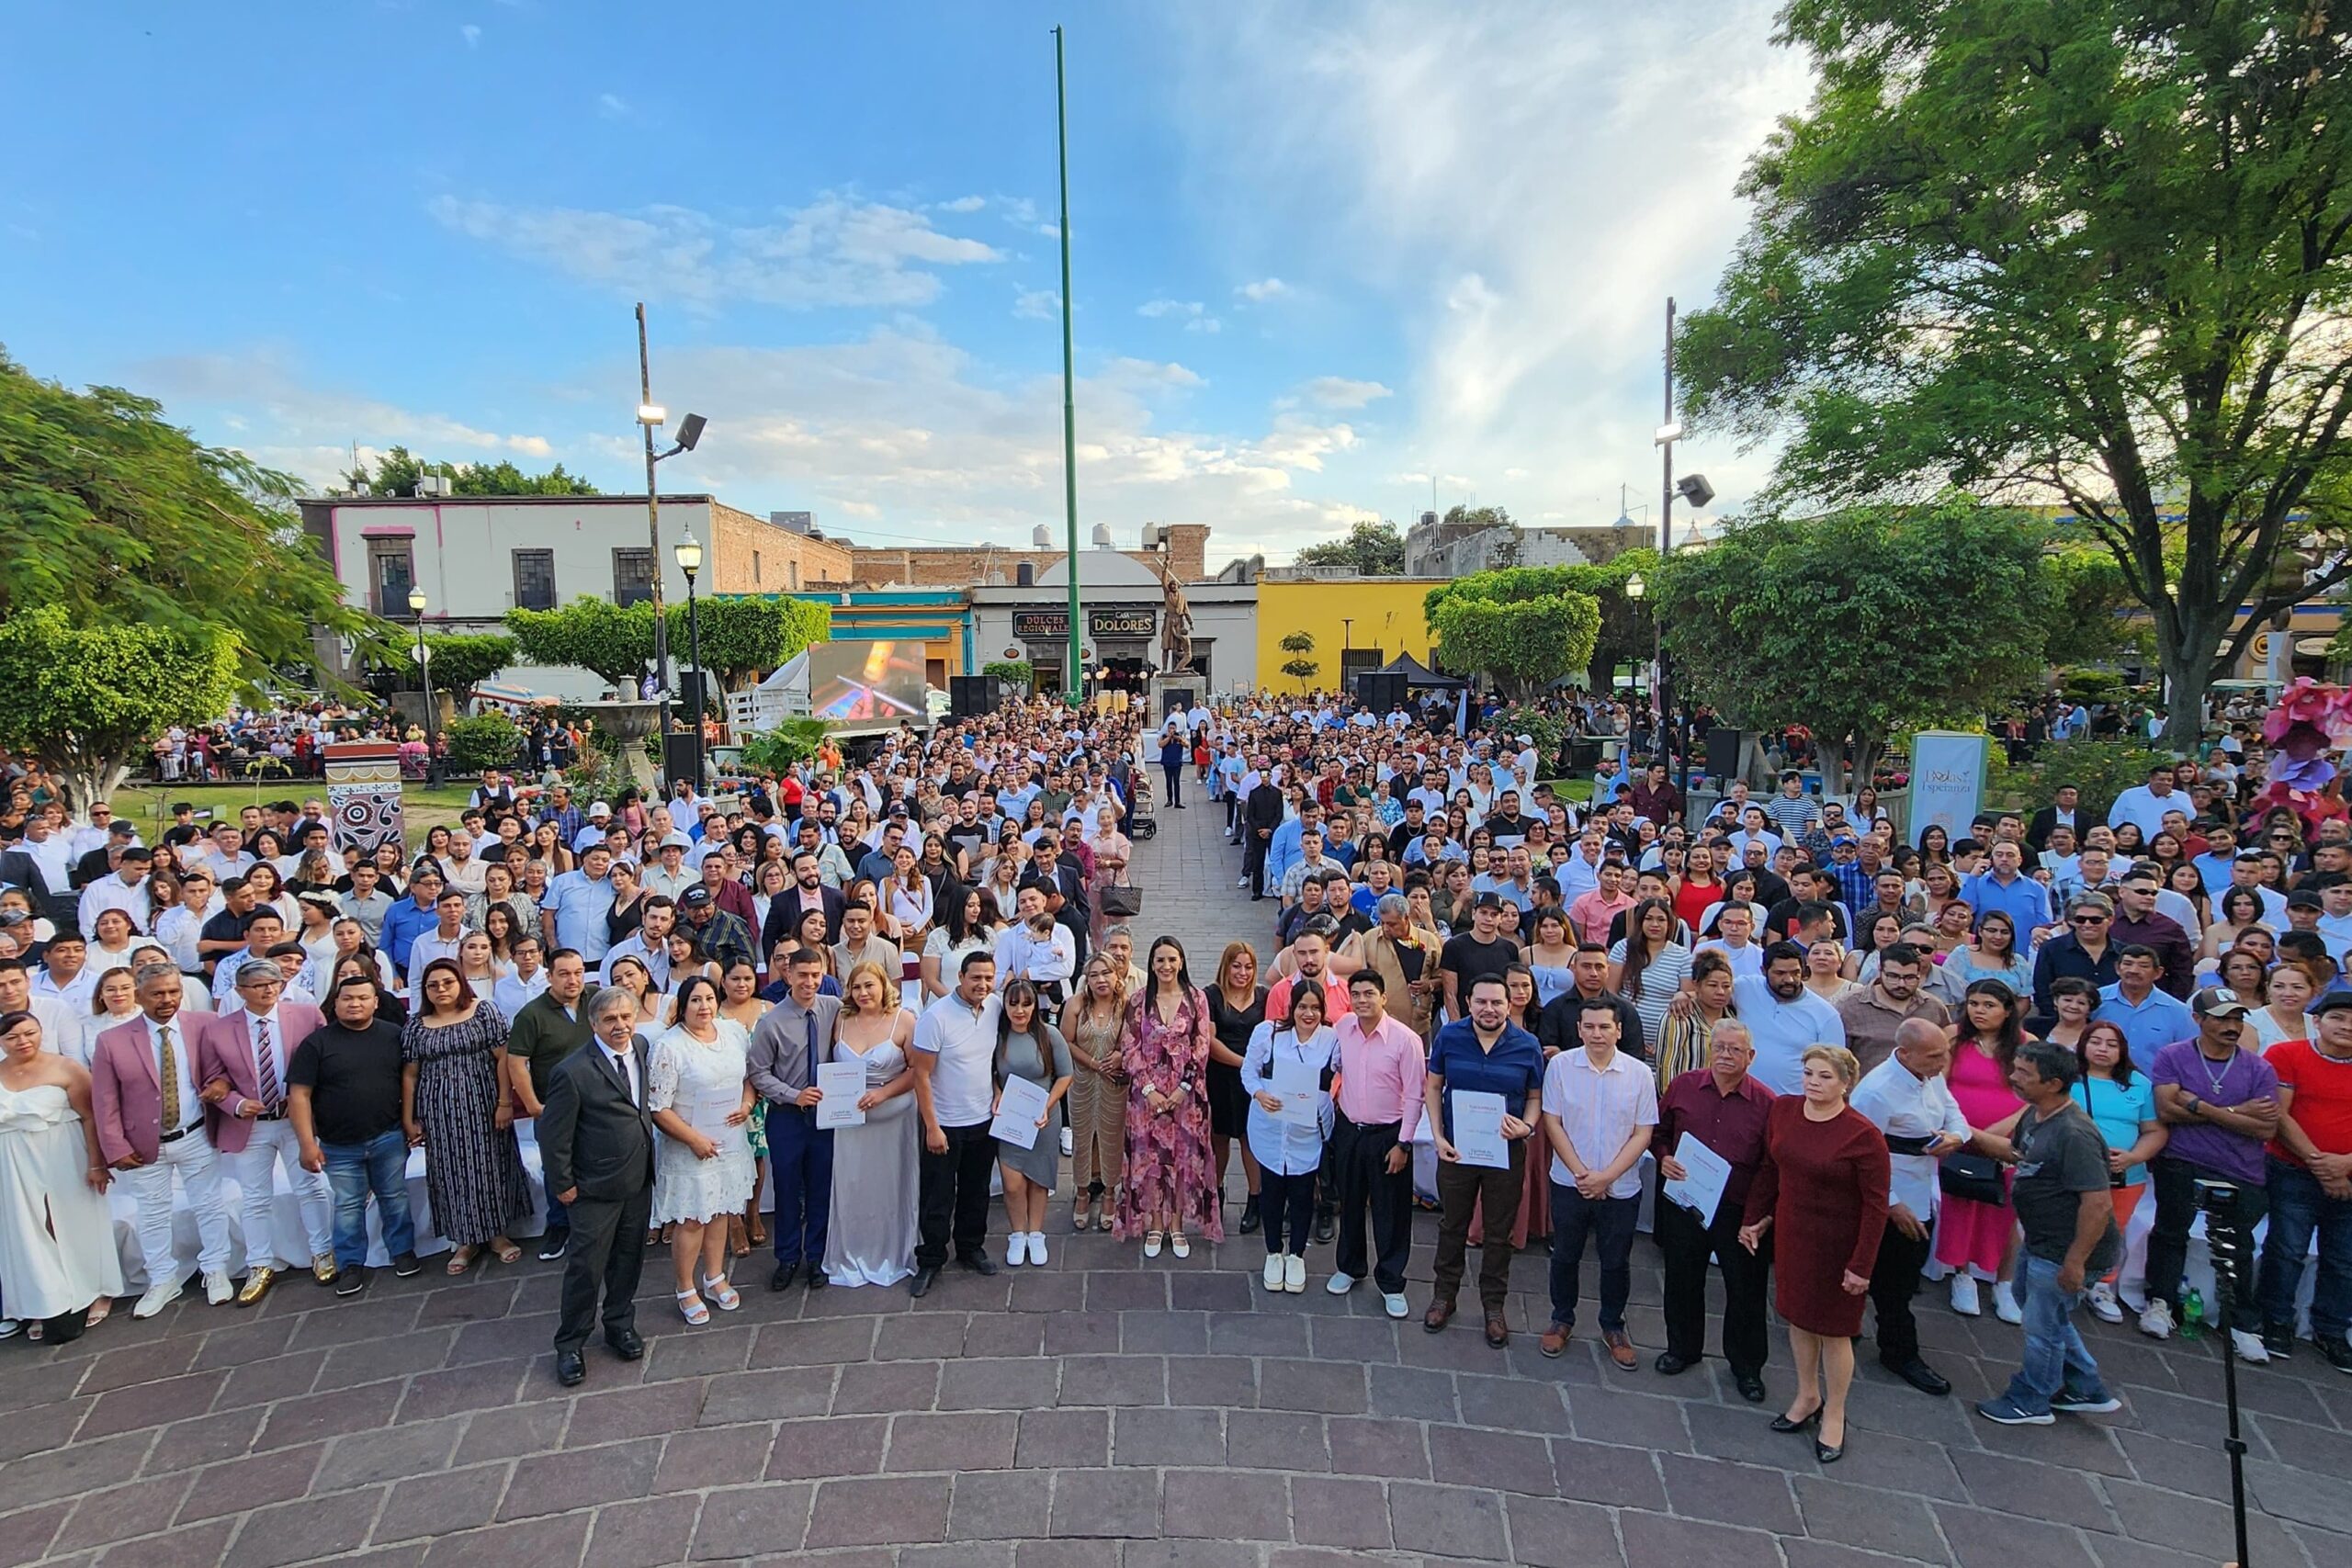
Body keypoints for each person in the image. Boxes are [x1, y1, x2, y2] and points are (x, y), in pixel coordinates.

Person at [1738, 1044, 1889, 1465]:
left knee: (1834, 1330)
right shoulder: (1784, 1111)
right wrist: (1755, 1217)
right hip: (1793, 1233)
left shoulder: (1863, 1135)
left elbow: (1876, 1206)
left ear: (1846, 1083)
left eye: (1824, 1076)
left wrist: (1862, 1265)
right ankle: (1807, 1395)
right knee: (1797, 1317)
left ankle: (1835, 1413)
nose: (1813, 1083)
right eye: (1808, 1073)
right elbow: (1770, 1169)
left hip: (1838, 1242)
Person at [1972, 1041, 2125, 1426]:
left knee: (2042, 1328)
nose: (2014, 1078)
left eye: (2024, 1074)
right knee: (2042, 1311)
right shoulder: (2038, 1114)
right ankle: (2084, 1386)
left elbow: (2098, 1204)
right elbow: (2016, 1153)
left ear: (2054, 1083)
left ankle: (2032, 1400)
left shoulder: (2075, 1134)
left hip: (2063, 1249)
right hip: (2040, 1241)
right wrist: (1963, 1136)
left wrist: (2074, 1264)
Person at [2141, 987, 2280, 1361]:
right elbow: (2167, 1111)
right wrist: (2238, 1112)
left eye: (2236, 1018)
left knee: (2240, 1244)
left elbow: (2265, 1129)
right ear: (2198, 1019)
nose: (2231, 1025)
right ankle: (2160, 1301)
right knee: (2171, 1230)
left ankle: (2240, 1322)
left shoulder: (2260, 1068)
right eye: (2221, 1018)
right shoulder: (2174, 1056)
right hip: (2183, 1157)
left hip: (2241, 1167)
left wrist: (2201, 1105)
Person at [90, 964, 235, 1315]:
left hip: (196, 1132)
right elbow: (104, 1100)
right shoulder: (112, 1040)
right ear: (139, 997)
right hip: (143, 1145)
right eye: (157, 993)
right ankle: (162, 1279)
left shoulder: (202, 1024)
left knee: (209, 1204)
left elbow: (224, 1068)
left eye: (173, 991)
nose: (167, 1000)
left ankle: (216, 1269)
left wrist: (222, 1085)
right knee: (152, 1214)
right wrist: (115, 1147)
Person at [537, 984, 657, 1387]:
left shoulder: (640, 1047)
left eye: (625, 1017)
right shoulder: (572, 1072)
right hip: (592, 1189)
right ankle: (570, 1344)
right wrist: (564, 1185)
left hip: (637, 1181)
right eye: (610, 1020)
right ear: (593, 1025)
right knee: (586, 1269)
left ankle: (620, 1324)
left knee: (628, 1260)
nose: (620, 1026)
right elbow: (553, 1136)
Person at [195, 960, 334, 1303]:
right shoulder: (218, 1029)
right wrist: (238, 1105)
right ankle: (259, 1263)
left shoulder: (305, 1015)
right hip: (251, 1125)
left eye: (273, 982)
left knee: (310, 1186)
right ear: (240, 991)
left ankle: (323, 1251)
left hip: (296, 1119)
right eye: (258, 985)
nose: (268, 989)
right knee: (255, 1197)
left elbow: (326, 1063)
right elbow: (213, 1080)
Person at [1849, 1018, 1974, 1397]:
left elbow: (1954, 1113)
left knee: (1903, 1275)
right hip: (1888, 1194)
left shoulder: (1930, 1075)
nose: (1943, 1061)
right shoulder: (1876, 1092)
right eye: (1935, 1055)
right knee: (1891, 1282)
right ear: (1904, 1054)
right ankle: (1900, 1352)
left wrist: (1955, 1136)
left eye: (1944, 1053)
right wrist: (1890, 1204)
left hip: (1924, 1186)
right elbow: (1858, 1155)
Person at [1423, 973, 1547, 1348]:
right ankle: (1444, 1296)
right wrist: (1438, 1135)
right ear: (1469, 1002)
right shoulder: (1450, 1036)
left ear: (1510, 1005)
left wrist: (1526, 1127)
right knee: (1452, 1226)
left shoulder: (1527, 1045)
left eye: (1497, 1003)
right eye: (1481, 1002)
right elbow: (1433, 1085)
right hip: (1457, 1149)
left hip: (1505, 1150)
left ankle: (1494, 1305)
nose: (1489, 1009)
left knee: (1498, 1231)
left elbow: (1535, 1097)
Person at [1653, 1019, 1774, 1401]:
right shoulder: (1684, 1086)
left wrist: (1756, 1218)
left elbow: (1771, 1167)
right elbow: (1659, 1133)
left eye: (1735, 1050)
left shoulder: (1768, 1104)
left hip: (1737, 1210)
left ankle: (1746, 1367)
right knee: (1682, 1278)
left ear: (1751, 1057)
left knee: (1745, 1290)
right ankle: (1682, 1348)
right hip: (1686, 1202)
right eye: (1719, 1047)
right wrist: (1664, 1158)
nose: (1725, 1055)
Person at [1537, 997, 1658, 1369]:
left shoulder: (1639, 1073)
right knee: (1566, 1255)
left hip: (1620, 1188)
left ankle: (1612, 1324)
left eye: (1605, 1027)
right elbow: (1552, 1122)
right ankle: (1562, 1318)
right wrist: (1582, 1175)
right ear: (1578, 1029)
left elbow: (1643, 1133)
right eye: (1589, 1027)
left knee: (1616, 1260)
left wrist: (1606, 1177)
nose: (1597, 1034)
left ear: (1619, 1031)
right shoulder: (1560, 1067)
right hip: (1569, 1182)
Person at [287, 976, 422, 1296]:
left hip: (387, 1136)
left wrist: (409, 1122)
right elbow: (299, 1095)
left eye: (363, 998)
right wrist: (307, 1143)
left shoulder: (394, 1036)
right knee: (348, 1205)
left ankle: (402, 1252)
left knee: (395, 1197)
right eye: (348, 998)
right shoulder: (316, 1043)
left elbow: (410, 1081)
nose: (355, 1004)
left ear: (376, 1002)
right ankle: (350, 1264)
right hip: (338, 1144)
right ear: (336, 1003)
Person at [400, 958, 530, 1275]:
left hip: (484, 1105)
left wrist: (504, 1102)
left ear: (461, 982)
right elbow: (410, 1075)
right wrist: (409, 1118)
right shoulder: (417, 1026)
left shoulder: (483, 1012)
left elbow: (503, 1058)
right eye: (433, 985)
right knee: (451, 1172)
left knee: (489, 1166)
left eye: (447, 982)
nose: (441, 989)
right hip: (440, 1112)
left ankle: (498, 1235)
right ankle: (465, 1241)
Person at [0, 1010, 123, 1342]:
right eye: (12, 1037)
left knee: (72, 1221)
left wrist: (96, 1163)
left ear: (41, 1032)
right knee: (28, 1230)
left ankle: (97, 1290)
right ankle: (45, 1300)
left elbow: (89, 1117)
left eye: (29, 1033)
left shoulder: (66, 1066)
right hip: (12, 1159)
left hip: (62, 1152)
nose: (22, 1042)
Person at [647, 974, 756, 1324]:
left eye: (709, 998)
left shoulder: (734, 1032)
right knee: (694, 1217)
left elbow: (748, 1078)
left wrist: (748, 1104)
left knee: (721, 1210)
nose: (704, 1006)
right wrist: (693, 1139)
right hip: (690, 1145)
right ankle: (685, 1287)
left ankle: (715, 1277)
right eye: (695, 1000)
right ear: (683, 1005)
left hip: (729, 1139)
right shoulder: (670, 1046)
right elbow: (658, 1107)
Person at [2259, 989, 2352, 1370]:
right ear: (2317, 1021)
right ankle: (2275, 1321)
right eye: (2338, 1018)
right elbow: (2279, 1116)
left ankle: (2331, 1329)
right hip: (2292, 1169)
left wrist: (2345, 1165)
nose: (2347, 1027)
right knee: (2287, 1248)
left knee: (2345, 1259)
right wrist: (2321, 1164)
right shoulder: (2286, 1055)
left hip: (2348, 1175)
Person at [1326, 969, 1423, 1319]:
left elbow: (1415, 1095)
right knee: (1350, 1201)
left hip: (1389, 1135)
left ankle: (1392, 1280)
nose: (1363, 1000)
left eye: (1370, 994)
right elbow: (1334, 1068)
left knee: (1391, 1212)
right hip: (1350, 1130)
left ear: (1383, 997)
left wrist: (1404, 1144)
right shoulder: (1343, 1030)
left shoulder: (1405, 1040)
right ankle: (1350, 1266)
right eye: (1357, 994)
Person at [1116, 937, 1221, 1257]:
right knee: (1150, 1158)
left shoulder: (1197, 998)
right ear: (1151, 963)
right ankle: (1155, 1223)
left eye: (1172, 959)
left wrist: (1182, 1089)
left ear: (1182, 962)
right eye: (1160, 960)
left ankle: (1176, 1224)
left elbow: (1202, 1044)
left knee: (1182, 1157)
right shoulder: (1138, 1000)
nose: (1166, 966)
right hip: (1146, 1095)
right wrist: (1148, 1089)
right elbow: (1129, 1044)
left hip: (1187, 1096)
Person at [746, 948, 842, 1292]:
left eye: (816, 975)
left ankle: (816, 1256)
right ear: (788, 974)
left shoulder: (833, 1008)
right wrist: (792, 1094)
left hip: (826, 1115)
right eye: (803, 975)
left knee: (821, 1186)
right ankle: (787, 1257)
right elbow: (757, 1072)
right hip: (787, 1116)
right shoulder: (771, 1022)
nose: (810, 982)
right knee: (787, 1189)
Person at [910, 951, 1004, 1294]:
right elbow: (920, 1075)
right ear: (960, 977)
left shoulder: (995, 1007)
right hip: (945, 1124)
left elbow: (991, 1060)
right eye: (975, 977)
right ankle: (931, 1259)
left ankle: (970, 1248)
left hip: (982, 1119)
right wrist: (932, 1127)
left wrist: (996, 1091)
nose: (982, 984)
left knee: (976, 1191)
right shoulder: (936, 1017)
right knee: (937, 1197)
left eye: (988, 978)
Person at [822, 961, 919, 1288]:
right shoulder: (841, 1020)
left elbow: (917, 1071)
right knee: (852, 1187)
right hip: (850, 1124)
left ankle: (892, 1250)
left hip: (893, 1120)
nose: (863, 993)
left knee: (889, 1187)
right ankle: (852, 1251)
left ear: (883, 986)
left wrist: (883, 1094)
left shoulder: (903, 1020)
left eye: (869, 985)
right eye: (857, 987)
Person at [1937, 980, 2029, 1322]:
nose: (1979, 1011)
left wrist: (2002, 1129)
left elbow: (2034, 1096)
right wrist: (1965, 1129)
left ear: (2007, 1010)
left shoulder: (2025, 1045)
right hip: (1960, 1135)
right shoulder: (1953, 1037)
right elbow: (1940, 1086)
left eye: (1989, 1005)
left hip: (2007, 1140)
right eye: (1974, 1003)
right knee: (1962, 1203)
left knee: (2005, 1209)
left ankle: (2004, 1284)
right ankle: (1963, 1276)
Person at [1242, 984, 1338, 1294]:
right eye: (1302, 1007)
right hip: (1271, 1129)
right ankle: (1273, 1252)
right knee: (1271, 1192)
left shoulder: (1332, 1040)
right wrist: (1259, 1093)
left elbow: (1342, 1072)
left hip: (1307, 1131)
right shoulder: (1268, 1034)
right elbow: (1249, 1071)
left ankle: (1296, 1255)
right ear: (1291, 1008)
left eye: (1315, 1008)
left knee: (1302, 1193)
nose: (1308, 1014)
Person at [2069, 1019, 2165, 1324]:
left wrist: (2133, 1157)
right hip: (2073, 1171)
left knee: (2111, 1231)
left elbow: (2155, 1130)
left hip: (2123, 1175)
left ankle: (2101, 1286)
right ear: (2083, 1044)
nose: (2103, 1049)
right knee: (2067, 1225)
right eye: (2096, 1041)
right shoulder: (2067, 1078)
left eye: (2112, 1044)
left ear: (2122, 1050)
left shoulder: (2140, 1084)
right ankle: (2061, 1279)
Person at [504, 949, 596, 1261]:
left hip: (596, 1104)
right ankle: (559, 1227)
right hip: (554, 1107)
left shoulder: (594, 999)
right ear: (549, 976)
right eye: (565, 974)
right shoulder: (532, 1014)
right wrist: (532, 1105)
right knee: (557, 1169)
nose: (573, 980)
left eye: (578, 972)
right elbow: (516, 1062)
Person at [992, 979, 1074, 1268]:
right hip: (1011, 1119)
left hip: (1043, 1118)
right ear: (1004, 1005)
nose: (1019, 1010)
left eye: (1026, 1004)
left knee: (1038, 1180)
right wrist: (997, 1093)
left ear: (1034, 1005)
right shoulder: (998, 1036)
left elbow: (1065, 1075)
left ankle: (1036, 1233)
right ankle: (1017, 1233)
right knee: (1012, 1183)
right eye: (1013, 1003)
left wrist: (1047, 1105)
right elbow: (991, 1072)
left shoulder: (1049, 1034)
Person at [1064, 954, 1132, 1234]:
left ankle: (1108, 1193)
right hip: (1082, 1083)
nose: (1101, 980)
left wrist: (1119, 1055)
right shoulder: (1077, 1004)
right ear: (1086, 979)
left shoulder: (1126, 1006)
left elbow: (1133, 1040)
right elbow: (1065, 1041)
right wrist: (1093, 1063)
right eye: (1094, 975)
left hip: (1114, 1085)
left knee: (1111, 1138)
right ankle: (1081, 1191)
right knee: (1082, 1138)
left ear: (1117, 976)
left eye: (1106, 973)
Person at [1202, 942, 1265, 1235]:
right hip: (1220, 1075)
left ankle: (1255, 1199)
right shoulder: (1211, 995)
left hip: (1254, 1082)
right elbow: (1209, 1042)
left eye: (1248, 966)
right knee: (1219, 1138)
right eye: (1236, 965)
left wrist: (1254, 1070)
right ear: (1226, 966)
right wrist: (1244, 1063)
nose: (1243, 972)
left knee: (1250, 1138)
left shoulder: (1263, 996)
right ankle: (1215, 1194)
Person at [1725, 942, 1849, 1093]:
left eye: (1795, 973)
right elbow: (1708, 993)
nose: (1789, 979)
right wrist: (1687, 996)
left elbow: (1835, 1069)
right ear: (1763, 971)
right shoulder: (1745, 988)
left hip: (1794, 1105)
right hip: (1744, 1099)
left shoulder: (1826, 1015)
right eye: (1780, 973)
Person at [1835, 942, 1950, 1077]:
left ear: (1920, 974)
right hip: (1869, 1093)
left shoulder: (1933, 1007)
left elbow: (1945, 1054)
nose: (1901, 984)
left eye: (1909, 978)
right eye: (1893, 976)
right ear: (1880, 970)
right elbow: (1836, 1059)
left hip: (1921, 1092)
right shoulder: (1849, 1006)